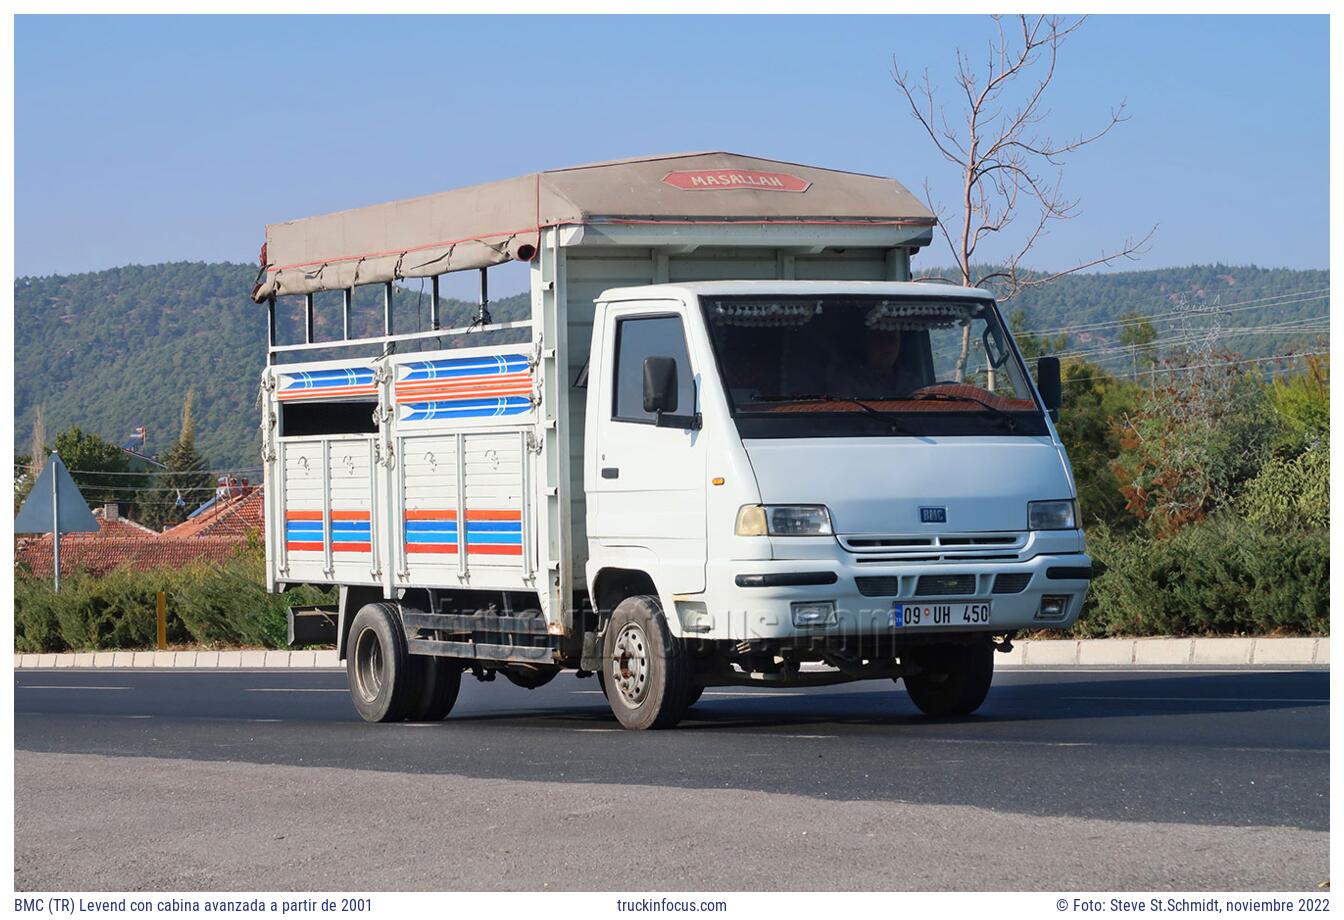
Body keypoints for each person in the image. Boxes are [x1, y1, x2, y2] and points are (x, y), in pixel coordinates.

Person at [825, 328, 923, 399]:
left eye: (891, 338)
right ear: (866, 342)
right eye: (879, 338)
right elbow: (842, 423)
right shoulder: (847, 382)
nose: (886, 345)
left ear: (899, 342)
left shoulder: (912, 383)